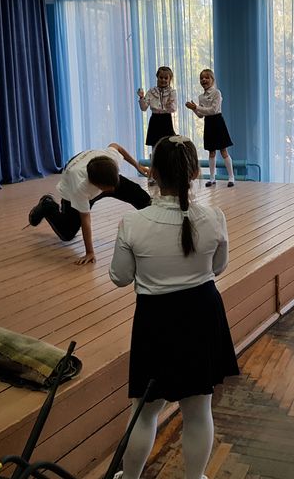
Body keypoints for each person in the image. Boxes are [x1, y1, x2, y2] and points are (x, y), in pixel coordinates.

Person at [109, 135, 239, 479]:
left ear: (153, 172)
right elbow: (218, 267)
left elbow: (119, 277)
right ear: (194, 172)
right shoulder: (214, 217)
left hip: (155, 320)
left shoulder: (133, 223)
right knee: (198, 410)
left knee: (144, 411)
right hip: (202, 313)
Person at [28, 143, 151, 265]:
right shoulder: (80, 188)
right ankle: (47, 205)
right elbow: (85, 219)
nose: (113, 190)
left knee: (141, 197)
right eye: (108, 188)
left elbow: (116, 146)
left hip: (99, 170)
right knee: (67, 234)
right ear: (97, 186)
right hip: (70, 186)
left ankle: (155, 220)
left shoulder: (111, 160)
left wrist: (137, 166)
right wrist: (90, 252)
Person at [186, 69, 235, 187]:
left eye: (207, 77)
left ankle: (231, 177)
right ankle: (212, 178)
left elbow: (213, 110)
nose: (204, 80)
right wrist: (193, 109)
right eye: (201, 78)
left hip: (218, 122)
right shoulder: (201, 97)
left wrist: (196, 107)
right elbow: (201, 115)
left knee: (223, 151)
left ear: (212, 79)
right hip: (208, 123)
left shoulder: (217, 93)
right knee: (211, 152)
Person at [138, 66, 177, 182]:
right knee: (155, 149)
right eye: (161, 77)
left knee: (168, 147)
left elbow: (173, 109)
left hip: (166, 120)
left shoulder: (172, 92)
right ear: (157, 77)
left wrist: (169, 104)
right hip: (155, 120)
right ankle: (153, 175)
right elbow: (144, 108)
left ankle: (167, 175)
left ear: (170, 79)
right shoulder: (151, 91)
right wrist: (141, 97)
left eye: (166, 78)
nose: (163, 80)